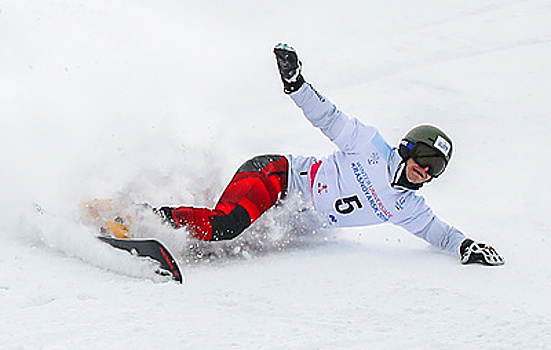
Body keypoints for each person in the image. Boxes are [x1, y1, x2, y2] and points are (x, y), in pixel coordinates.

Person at [152, 43, 505, 266]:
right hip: (278, 177)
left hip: (283, 219)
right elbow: (328, 117)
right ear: (409, 147)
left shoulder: (407, 207)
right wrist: (296, 85)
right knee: (226, 225)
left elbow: (438, 233)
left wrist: (466, 246)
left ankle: (166, 233)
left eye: (435, 171)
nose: (425, 172)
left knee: (223, 244)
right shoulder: (369, 146)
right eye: (424, 160)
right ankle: (147, 218)